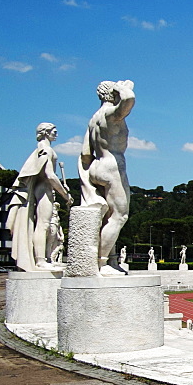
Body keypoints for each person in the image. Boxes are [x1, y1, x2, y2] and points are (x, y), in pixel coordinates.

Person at [78, 80, 135, 275]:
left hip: (97, 165)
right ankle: (102, 264)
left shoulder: (94, 118)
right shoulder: (111, 115)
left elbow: (86, 152)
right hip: (112, 166)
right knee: (120, 216)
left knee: (108, 218)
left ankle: (110, 261)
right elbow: (129, 99)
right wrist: (123, 89)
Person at [5, 123, 73, 271]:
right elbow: (50, 175)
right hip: (44, 188)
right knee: (43, 224)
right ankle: (40, 261)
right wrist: (65, 194)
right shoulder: (46, 150)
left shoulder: (43, 149)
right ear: (46, 132)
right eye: (54, 131)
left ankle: (46, 258)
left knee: (45, 225)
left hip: (43, 188)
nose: (56, 133)